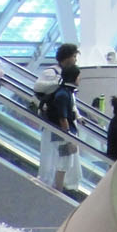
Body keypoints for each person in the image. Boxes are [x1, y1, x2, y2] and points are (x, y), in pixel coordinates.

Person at [36, 42, 79, 182]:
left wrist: (77, 115)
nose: (75, 59)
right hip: (56, 125)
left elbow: (71, 102)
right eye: (74, 56)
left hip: (61, 126)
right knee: (59, 159)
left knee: (62, 159)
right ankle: (53, 184)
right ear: (67, 57)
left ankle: (59, 184)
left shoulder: (65, 82)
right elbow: (38, 88)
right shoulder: (52, 74)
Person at [44, 62, 82, 193]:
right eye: (78, 77)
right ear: (74, 77)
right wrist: (69, 139)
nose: (80, 79)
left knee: (65, 162)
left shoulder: (66, 92)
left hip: (63, 134)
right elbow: (62, 118)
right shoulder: (63, 95)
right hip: (63, 135)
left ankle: (58, 188)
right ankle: (58, 190)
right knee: (63, 162)